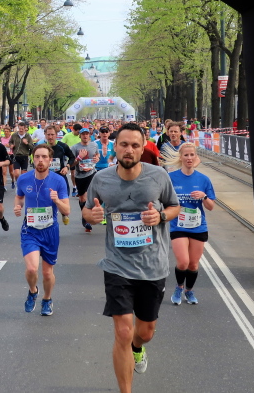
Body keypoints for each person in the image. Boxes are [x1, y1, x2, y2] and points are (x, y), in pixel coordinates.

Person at [82, 123, 180, 393]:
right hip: (117, 265)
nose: (129, 150)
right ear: (115, 146)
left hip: (153, 265)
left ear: (143, 147)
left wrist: (160, 216)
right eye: (124, 144)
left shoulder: (158, 176)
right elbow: (87, 211)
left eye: (135, 145)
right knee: (123, 332)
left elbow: (174, 206)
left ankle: (138, 347)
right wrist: (92, 216)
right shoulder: (101, 178)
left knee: (145, 332)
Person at [14, 144, 70, 316]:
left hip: (50, 230)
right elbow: (19, 197)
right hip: (30, 229)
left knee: (47, 273)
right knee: (32, 269)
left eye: (44, 157)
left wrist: (57, 201)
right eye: (37, 156)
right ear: (33, 158)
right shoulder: (23, 179)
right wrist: (18, 206)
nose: (40, 160)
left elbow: (67, 210)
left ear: (50, 160)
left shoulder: (58, 181)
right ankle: (33, 291)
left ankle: (47, 299)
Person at [163, 142, 215, 305]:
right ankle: (179, 287)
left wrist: (203, 196)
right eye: (186, 155)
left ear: (196, 157)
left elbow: (211, 206)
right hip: (178, 226)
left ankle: (189, 291)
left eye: (192, 155)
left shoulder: (203, 179)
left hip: (198, 227)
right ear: (181, 157)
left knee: (193, 264)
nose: (189, 158)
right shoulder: (171, 178)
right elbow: (163, 199)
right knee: (183, 262)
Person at [43, 125, 75, 225]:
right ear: (45, 135)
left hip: (60, 176)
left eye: (52, 134)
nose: (50, 137)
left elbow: (72, 157)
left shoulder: (62, 146)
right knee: (47, 199)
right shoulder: (42, 147)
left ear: (56, 135)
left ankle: (63, 213)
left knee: (62, 198)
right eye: (48, 134)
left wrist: (67, 167)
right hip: (46, 177)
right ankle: (51, 219)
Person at [71, 128, 99, 232]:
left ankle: (87, 219)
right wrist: (79, 157)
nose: (85, 136)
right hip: (80, 175)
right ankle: (84, 216)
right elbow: (71, 164)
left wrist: (97, 158)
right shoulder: (75, 147)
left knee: (88, 196)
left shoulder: (94, 145)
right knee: (82, 198)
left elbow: (97, 155)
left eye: (87, 134)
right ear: (80, 136)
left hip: (91, 173)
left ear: (89, 135)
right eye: (83, 134)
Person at [62, 123, 82, 196]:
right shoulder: (67, 135)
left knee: (80, 173)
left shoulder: (81, 136)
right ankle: (74, 186)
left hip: (81, 157)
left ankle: (80, 188)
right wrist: (67, 148)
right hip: (72, 157)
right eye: (77, 132)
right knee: (73, 173)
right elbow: (62, 143)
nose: (78, 133)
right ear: (73, 130)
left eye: (79, 132)